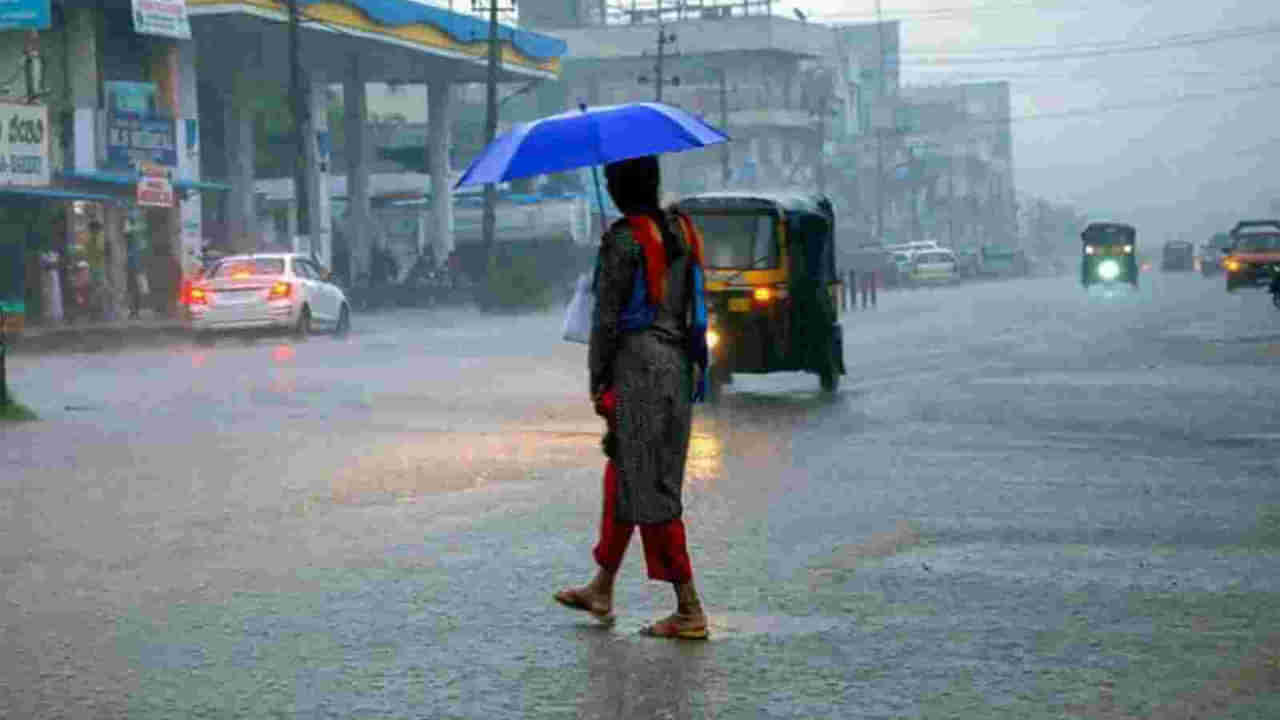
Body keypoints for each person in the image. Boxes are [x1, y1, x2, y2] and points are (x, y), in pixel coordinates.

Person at [554, 155, 710, 640]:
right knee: (626, 473)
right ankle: (602, 585)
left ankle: (688, 607)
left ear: (621, 187)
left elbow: (605, 319)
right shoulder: (683, 230)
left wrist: (598, 379)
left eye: (610, 179)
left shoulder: (623, 241)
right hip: (676, 364)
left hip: (638, 369)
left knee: (651, 487)